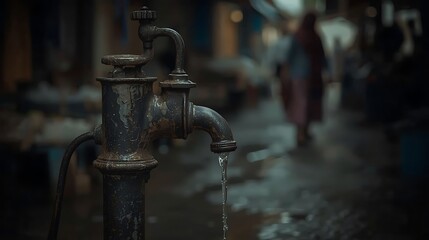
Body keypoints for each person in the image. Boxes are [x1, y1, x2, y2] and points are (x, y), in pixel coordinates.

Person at [280, 12, 328, 146]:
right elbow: (323, 59)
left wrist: (285, 74)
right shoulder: (314, 37)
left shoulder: (301, 36)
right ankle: (302, 133)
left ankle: (303, 132)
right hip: (307, 76)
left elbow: (289, 58)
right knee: (304, 105)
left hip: (302, 76)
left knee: (304, 105)